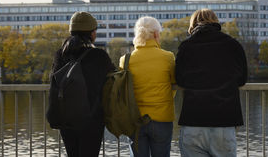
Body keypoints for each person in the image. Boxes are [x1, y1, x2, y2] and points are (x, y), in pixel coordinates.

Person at [175, 9, 247, 157]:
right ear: (216, 22)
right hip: (224, 121)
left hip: (193, 121)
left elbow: (179, 79)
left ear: (193, 24)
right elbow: (242, 78)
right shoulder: (233, 45)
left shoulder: (186, 47)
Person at [51, 11, 116, 157]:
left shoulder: (60, 54)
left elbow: (54, 81)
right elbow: (113, 78)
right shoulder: (99, 56)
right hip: (91, 119)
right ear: (91, 33)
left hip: (66, 118)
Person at [119, 16, 176, 157]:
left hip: (135, 121)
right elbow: (174, 85)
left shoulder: (125, 60)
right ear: (156, 34)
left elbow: (123, 91)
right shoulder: (168, 57)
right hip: (162, 119)